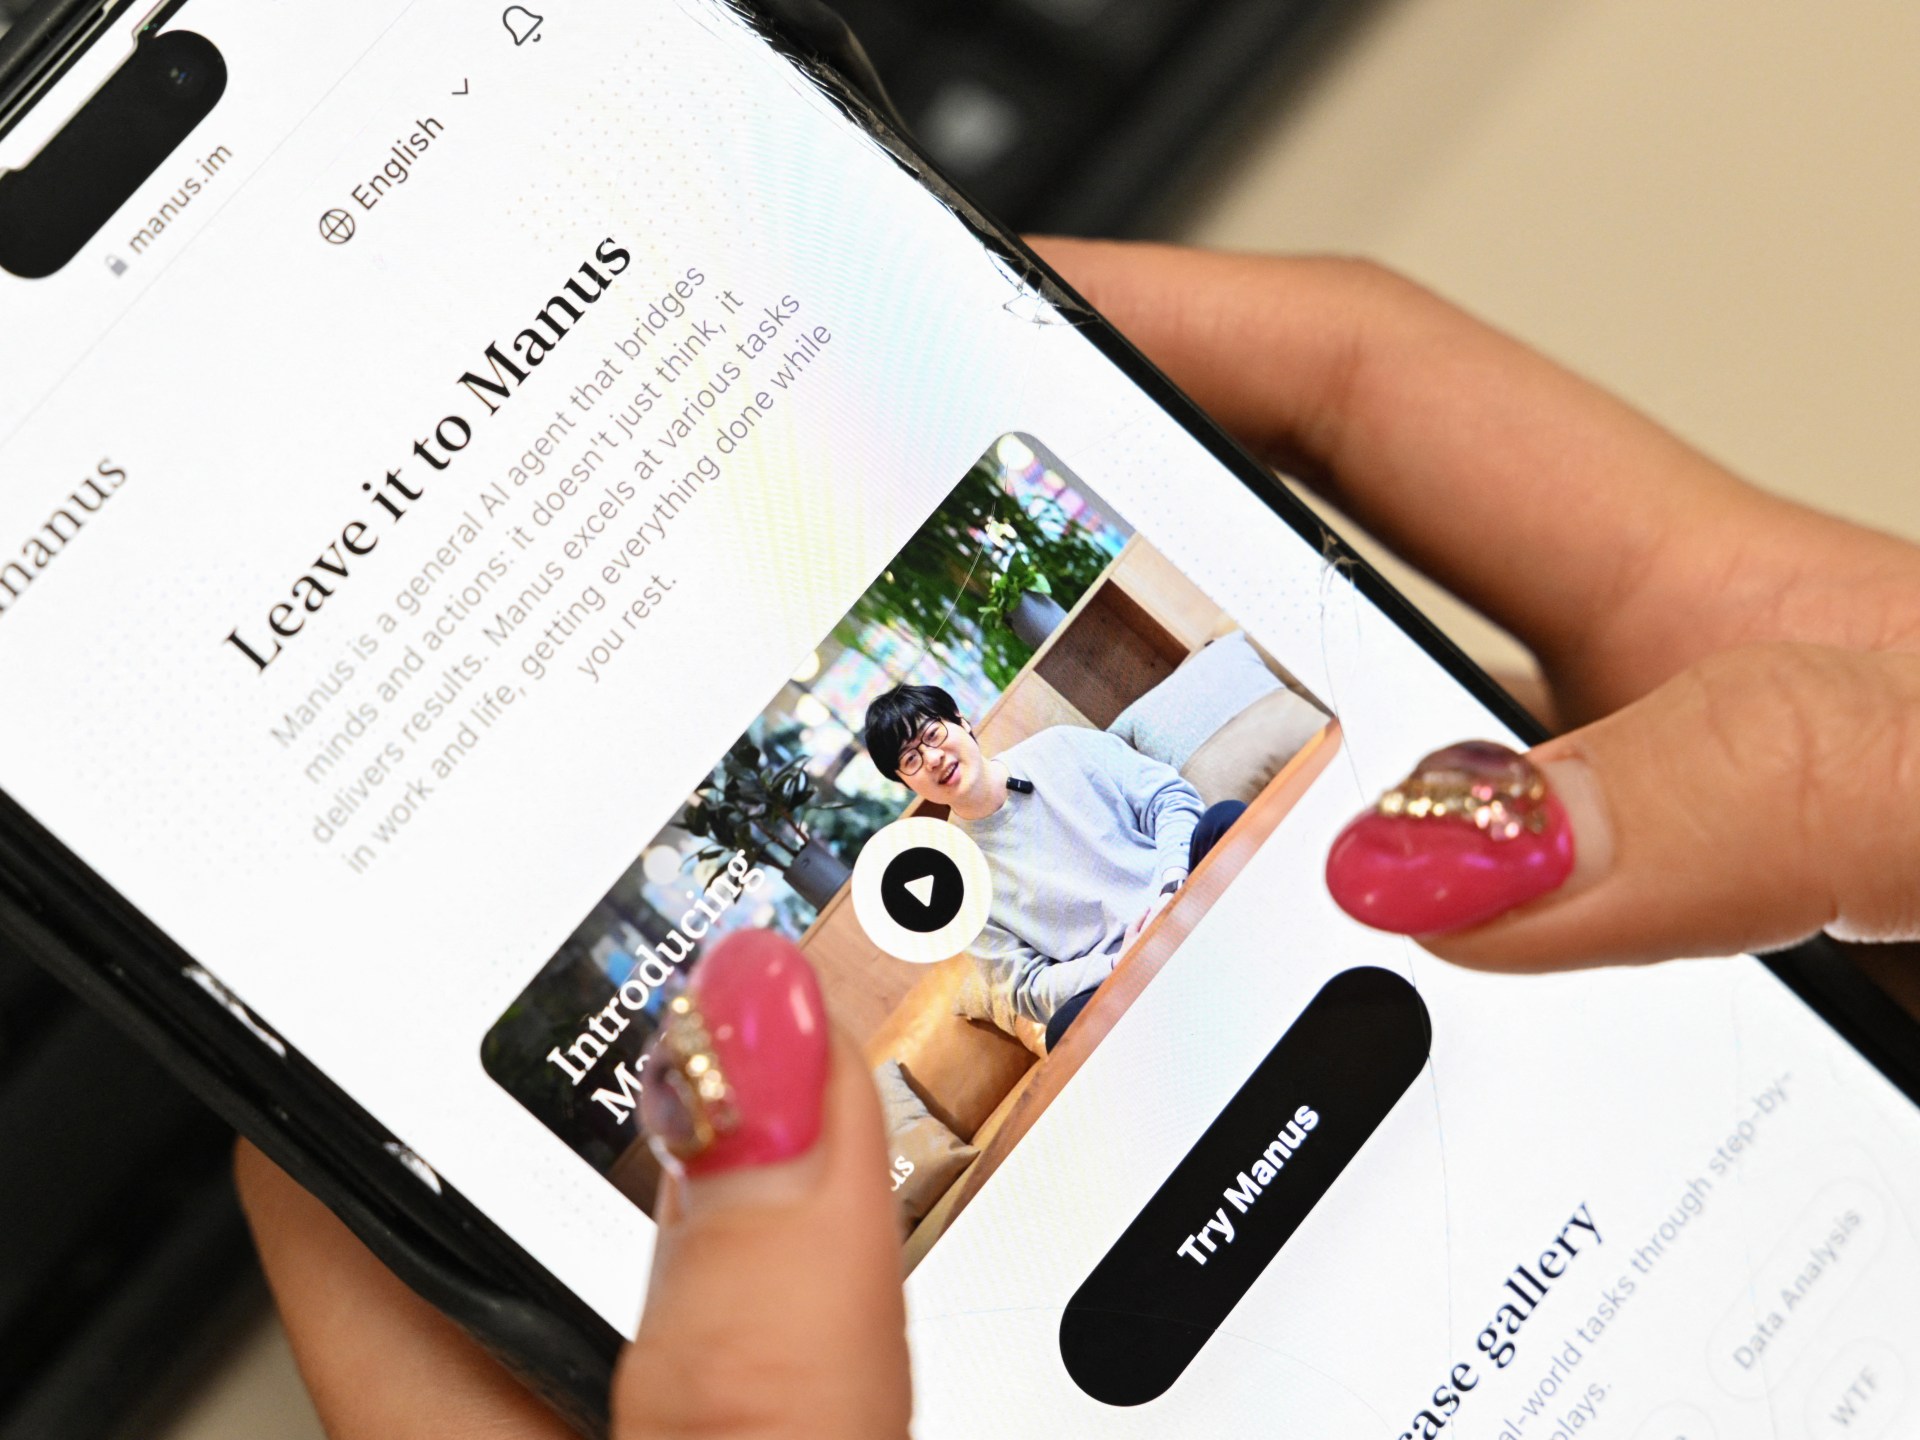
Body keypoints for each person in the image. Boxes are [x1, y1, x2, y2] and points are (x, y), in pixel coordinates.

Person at [235, 240, 1920, 1440]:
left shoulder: (1068, 755)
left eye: (944, 727)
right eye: (918, 752)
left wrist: (1184, 891)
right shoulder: (953, 908)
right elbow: (1023, 986)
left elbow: (1180, 815)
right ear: (912, 787)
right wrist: (1103, 961)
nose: (944, 751)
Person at [861, 682, 1246, 1047]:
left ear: (961, 721)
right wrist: (1117, 964)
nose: (932, 759)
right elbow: (1024, 988)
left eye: (932, 734)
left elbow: (1168, 798)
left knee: (1224, 821)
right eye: (911, 759)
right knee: (1064, 1030)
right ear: (906, 783)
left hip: (1180, 893)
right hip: (1120, 979)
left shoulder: (1059, 746)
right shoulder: (955, 882)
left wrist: (1171, 888)